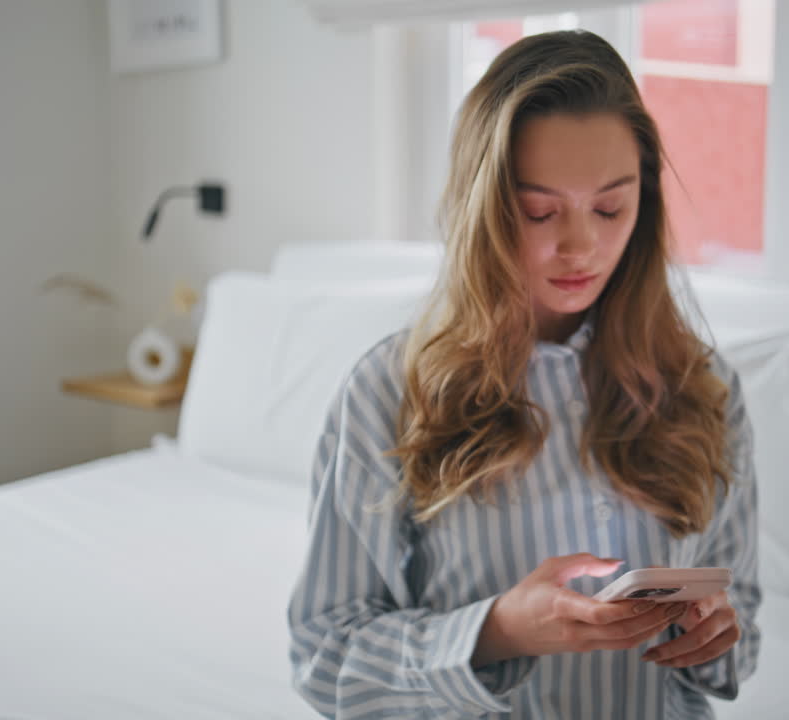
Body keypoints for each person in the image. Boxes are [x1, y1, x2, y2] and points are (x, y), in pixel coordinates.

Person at [288, 29, 759, 719]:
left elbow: (739, 627)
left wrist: (716, 636)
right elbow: (325, 658)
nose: (581, 246)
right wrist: (498, 631)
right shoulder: (389, 391)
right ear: (483, 208)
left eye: (610, 208)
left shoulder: (704, 388)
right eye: (539, 211)